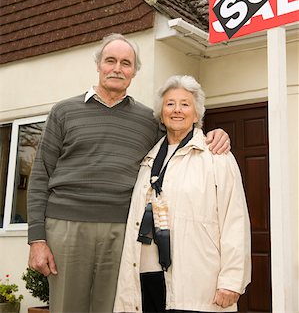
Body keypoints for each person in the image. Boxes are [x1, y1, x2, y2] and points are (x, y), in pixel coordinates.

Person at [27, 34, 231, 313]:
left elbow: (179, 137)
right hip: (66, 226)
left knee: (115, 307)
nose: (117, 68)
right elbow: (40, 176)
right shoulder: (64, 112)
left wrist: (214, 135)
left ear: (134, 72)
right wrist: (37, 239)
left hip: (123, 231)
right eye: (110, 61)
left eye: (126, 63)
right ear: (98, 65)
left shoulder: (148, 120)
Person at [114, 75, 251, 313]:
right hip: (148, 275)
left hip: (197, 279)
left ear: (197, 114)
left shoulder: (216, 156)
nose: (177, 110)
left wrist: (232, 280)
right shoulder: (148, 161)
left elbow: (235, 220)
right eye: (170, 104)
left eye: (185, 104)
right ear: (161, 114)